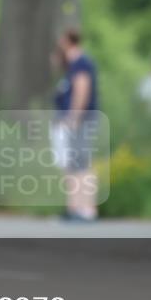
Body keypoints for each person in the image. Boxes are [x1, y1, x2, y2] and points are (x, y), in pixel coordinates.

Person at [52, 28, 100, 223]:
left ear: (68, 40)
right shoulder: (71, 66)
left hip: (81, 120)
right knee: (73, 165)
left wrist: (74, 117)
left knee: (82, 163)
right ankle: (74, 208)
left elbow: (82, 90)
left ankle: (87, 209)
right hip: (73, 120)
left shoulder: (81, 63)